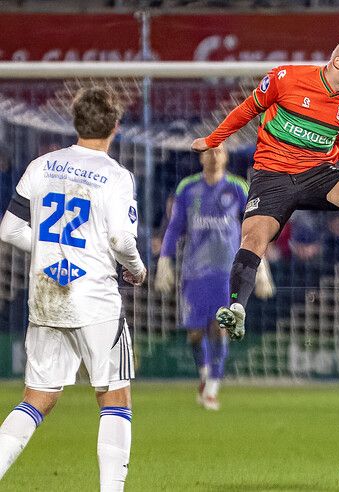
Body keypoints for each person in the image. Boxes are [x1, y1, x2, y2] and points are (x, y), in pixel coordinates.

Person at [190, 37, 339, 341]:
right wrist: (213, 140)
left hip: (318, 174)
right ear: (338, 61)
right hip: (273, 176)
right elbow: (249, 108)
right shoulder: (286, 78)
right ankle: (238, 309)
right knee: (253, 238)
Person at [0, 87, 146, 490]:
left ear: (75, 122)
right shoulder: (117, 176)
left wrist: (51, 249)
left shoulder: (41, 165)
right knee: (114, 398)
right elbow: (120, 240)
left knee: (36, 399)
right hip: (95, 300)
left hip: (46, 294)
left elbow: (10, 229)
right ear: (116, 127)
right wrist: (137, 269)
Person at [155, 146, 273, 410]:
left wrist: (261, 266)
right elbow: (175, 226)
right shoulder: (188, 188)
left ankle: (212, 388)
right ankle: (205, 374)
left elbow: (252, 228)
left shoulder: (238, 187)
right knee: (196, 333)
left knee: (221, 328)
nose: (213, 156)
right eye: (208, 152)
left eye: (218, 151)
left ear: (226, 156)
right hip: (194, 272)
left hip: (227, 272)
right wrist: (165, 259)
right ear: (201, 157)